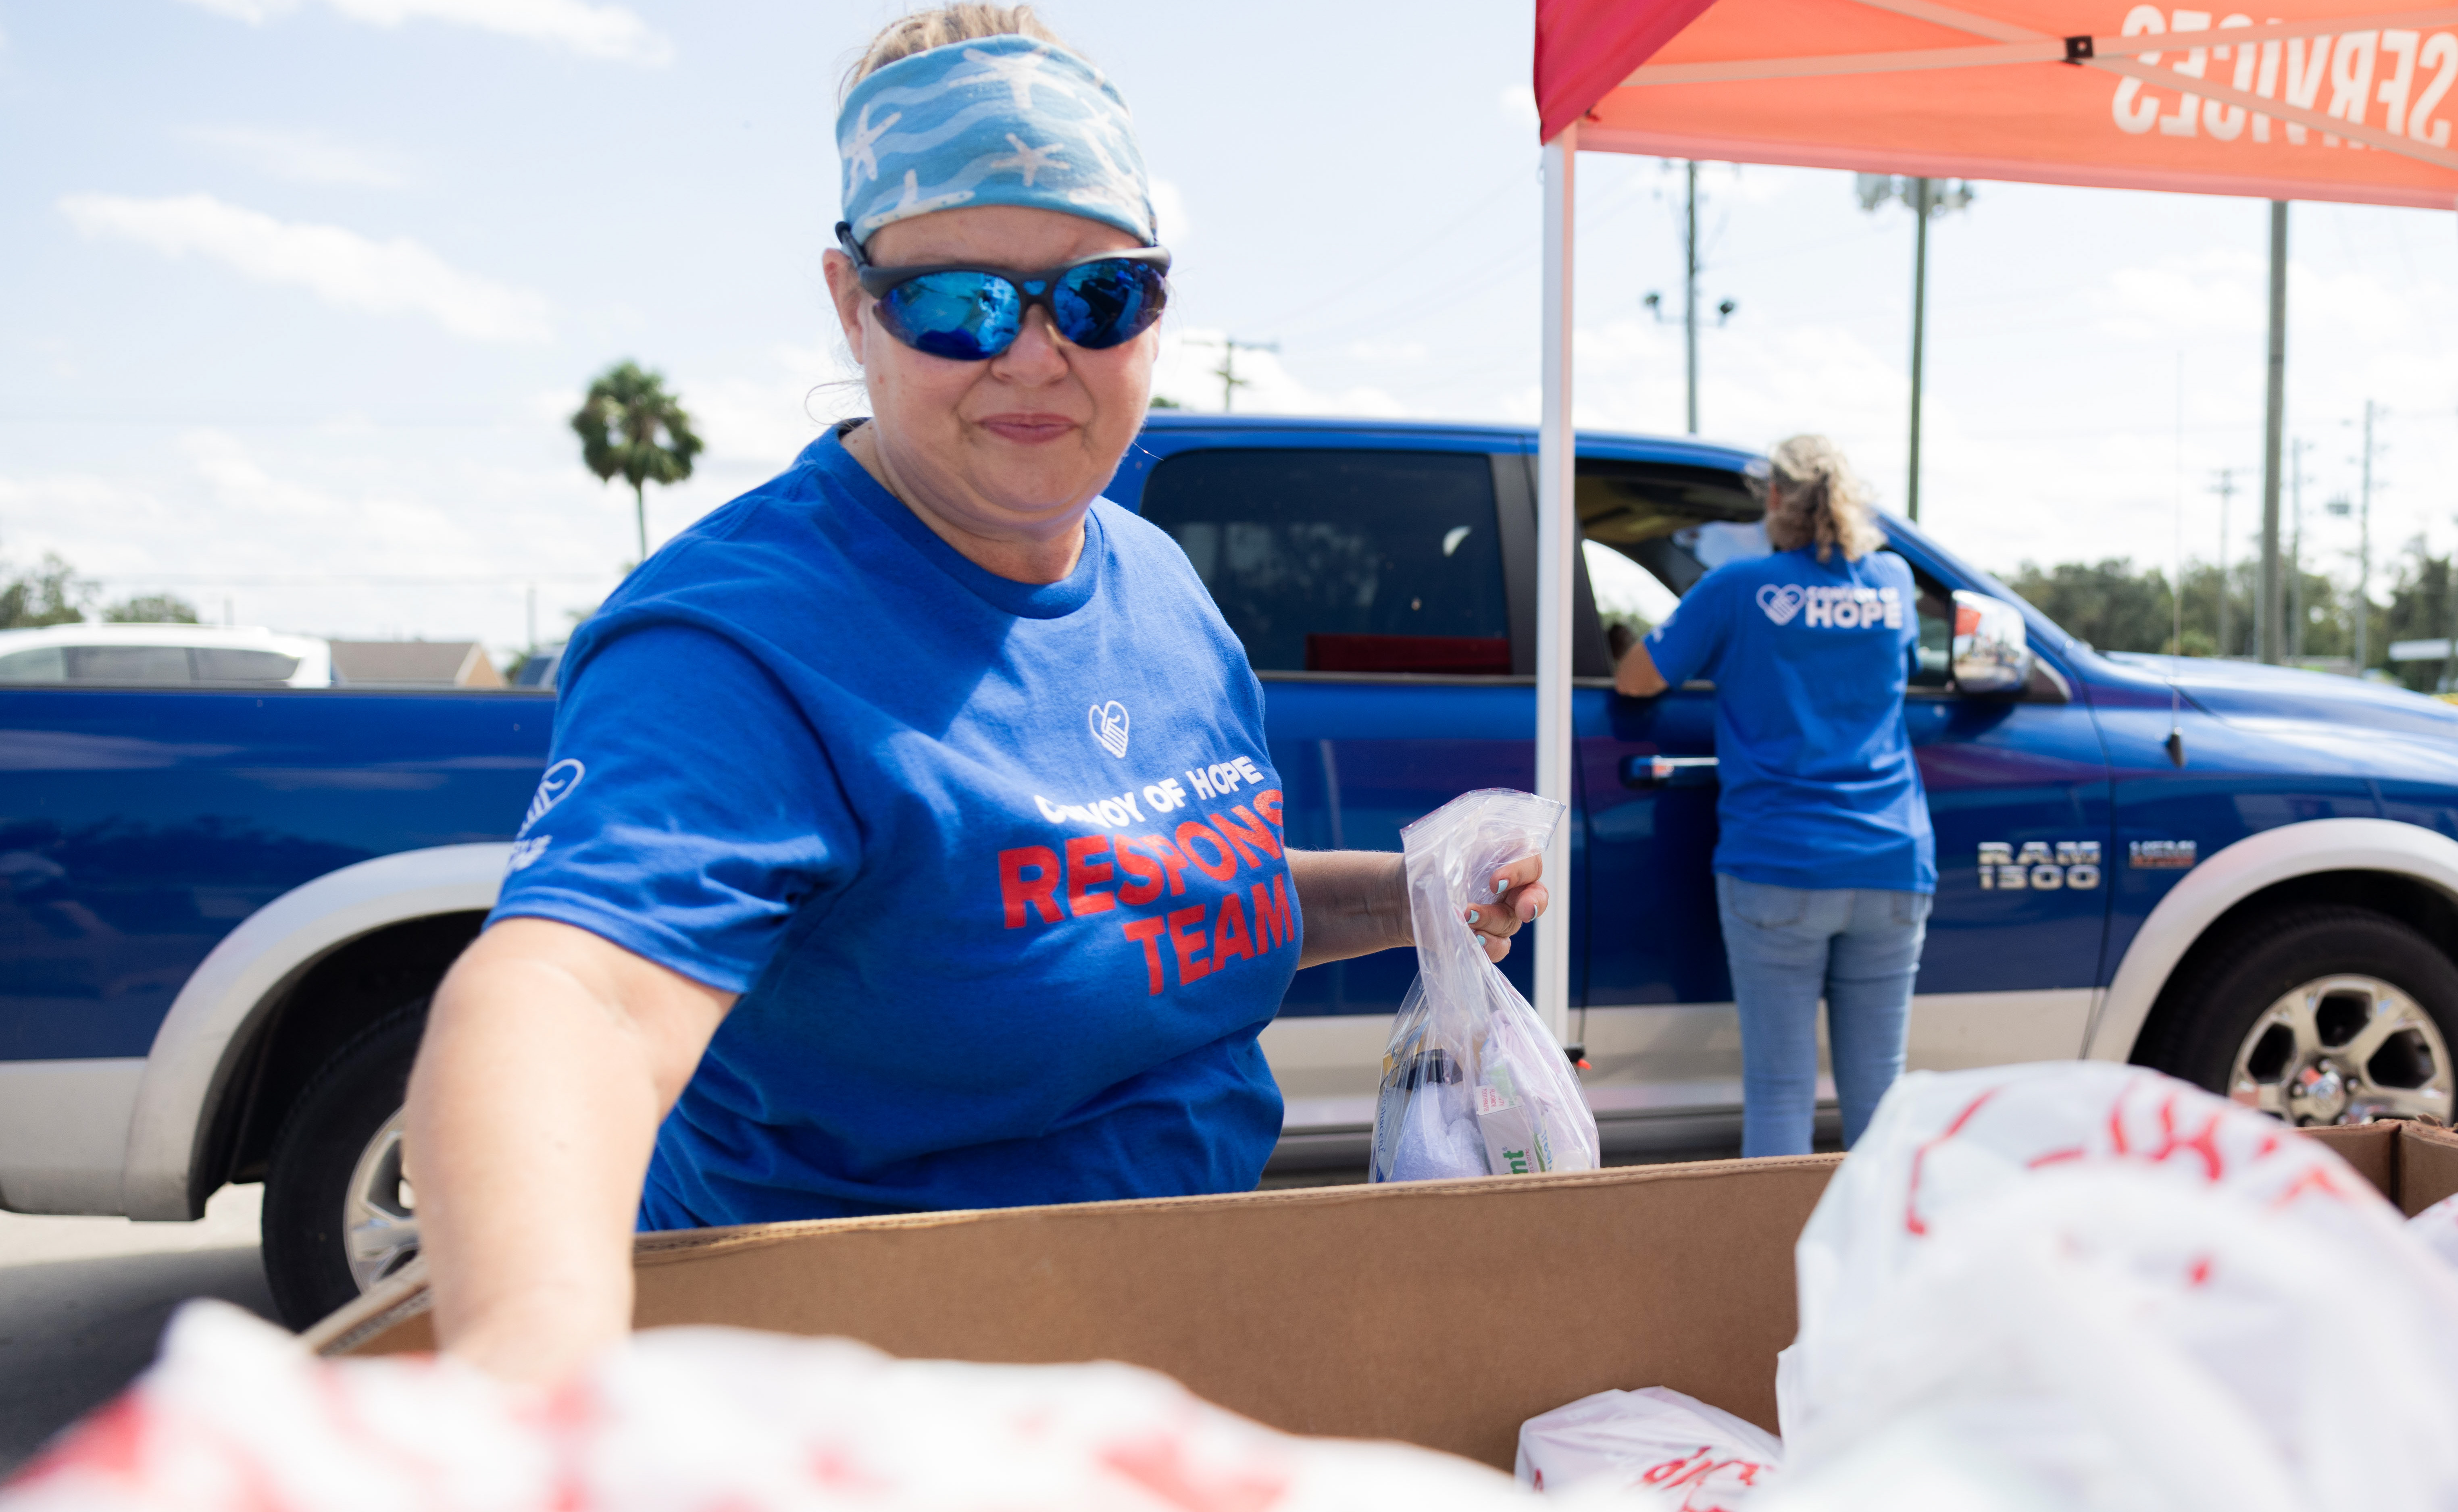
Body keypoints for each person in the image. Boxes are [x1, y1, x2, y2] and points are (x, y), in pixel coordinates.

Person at [402, 5, 1544, 1382]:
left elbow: (1139, 893)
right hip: (883, 1393)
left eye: (1098, 294)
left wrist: (1415, 895)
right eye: (956, 303)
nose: (1032, 352)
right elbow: (574, 1004)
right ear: (851, 302)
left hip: (1190, 1336)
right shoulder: (738, 643)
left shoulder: (1161, 582)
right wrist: (538, 1386)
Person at [1614, 436, 1933, 1157]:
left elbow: (1639, 678)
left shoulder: (1740, 586)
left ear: (1775, 500)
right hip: (1891, 862)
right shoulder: (1893, 582)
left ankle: (1777, 1269)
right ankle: (1872, 1261)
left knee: (1782, 1091)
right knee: (1881, 1094)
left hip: (1779, 865)